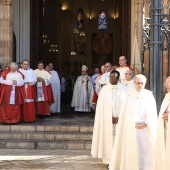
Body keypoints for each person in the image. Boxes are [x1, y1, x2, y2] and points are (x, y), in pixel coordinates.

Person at [109, 74, 157, 170]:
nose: (140, 85)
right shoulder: (128, 95)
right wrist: (132, 123)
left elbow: (153, 113)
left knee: (146, 152)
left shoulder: (149, 95)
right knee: (133, 151)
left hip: (146, 129)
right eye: (138, 83)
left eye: (142, 83)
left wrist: (146, 123)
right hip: (132, 129)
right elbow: (124, 114)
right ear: (134, 83)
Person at [91, 70, 126, 167]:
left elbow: (126, 105)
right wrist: (108, 117)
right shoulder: (104, 89)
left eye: (114, 77)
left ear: (118, 78)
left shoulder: (124, 89)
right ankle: (110, 161)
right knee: (108, 140)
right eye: (110, 77)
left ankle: (119, 161)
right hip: (107, 120)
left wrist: (119, 117)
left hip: (120, 120)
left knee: (119, 139)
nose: (111, 78)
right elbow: (101, 107)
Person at [154, 76, 170, 170]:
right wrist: (163, 116)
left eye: (168, 83)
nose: (166, 85)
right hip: (166, 129)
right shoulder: (167, 96)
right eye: (165, 83)